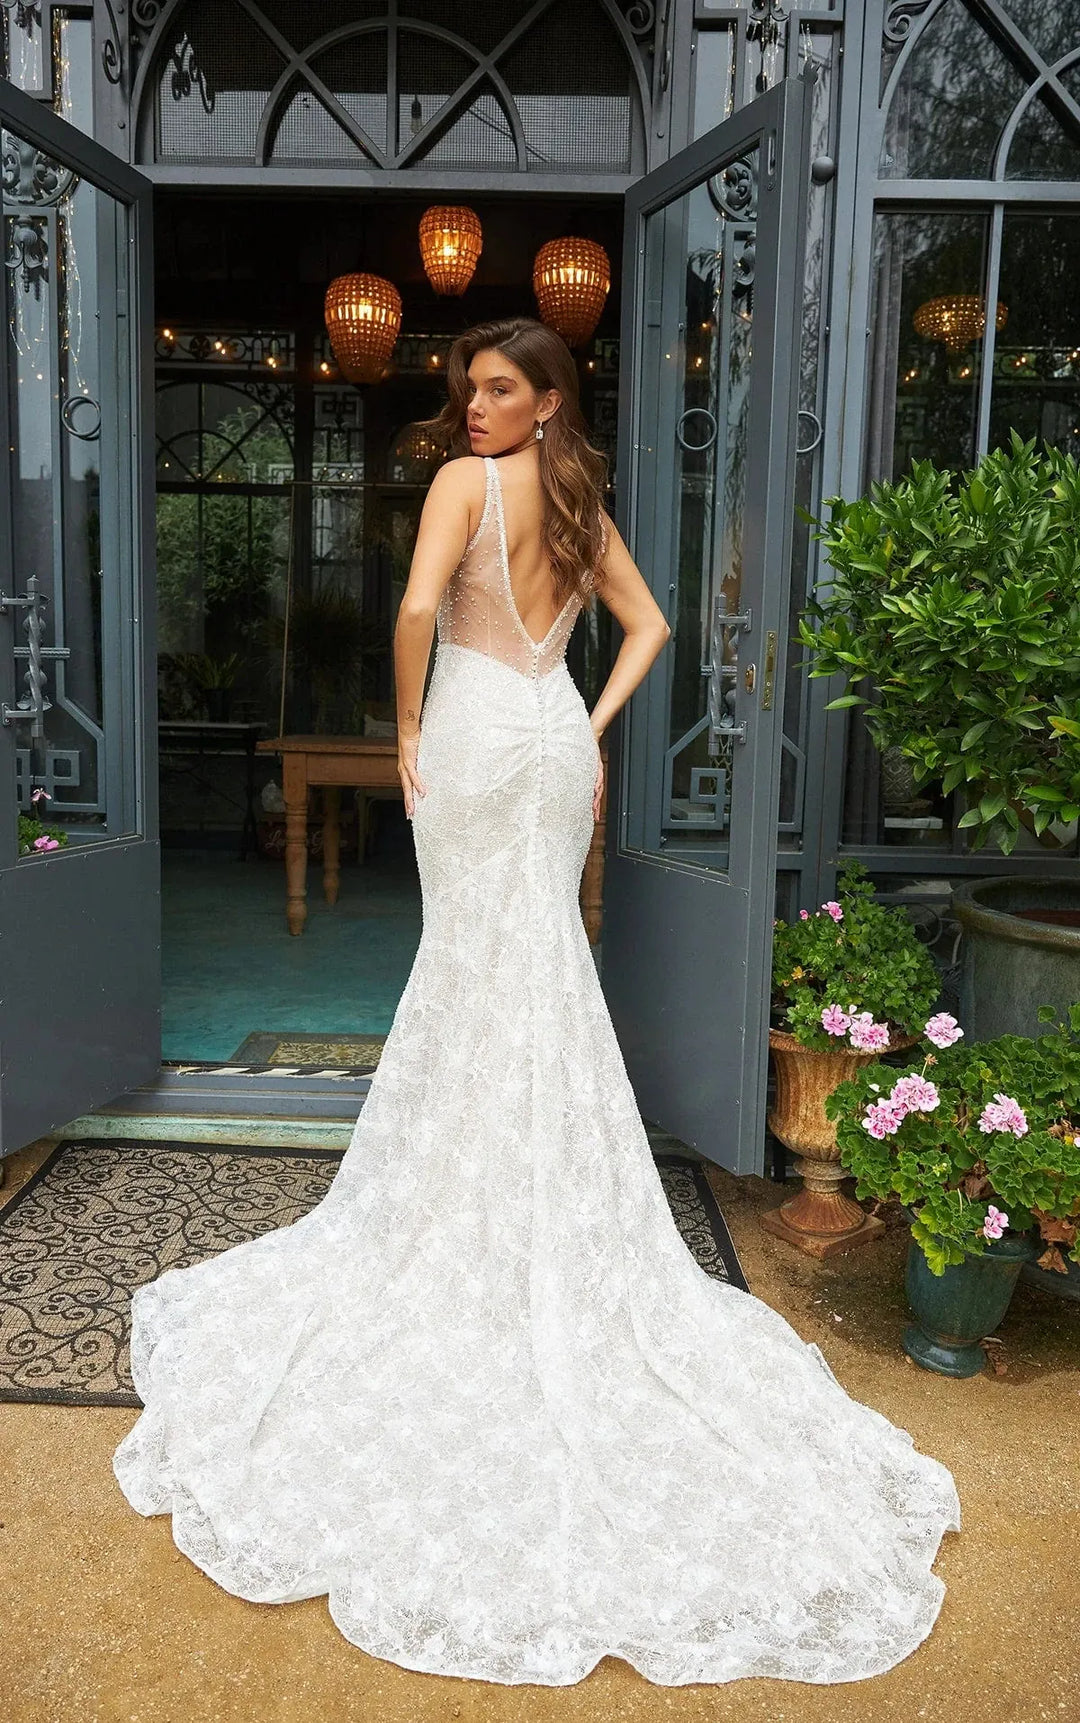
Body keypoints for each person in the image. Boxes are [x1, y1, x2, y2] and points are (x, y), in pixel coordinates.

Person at [113, 316, 960, 1688]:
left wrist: (401, 734)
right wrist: (593, 720)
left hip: (471, 735)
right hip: (553, 740)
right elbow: (653, 627)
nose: (475, 407)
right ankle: (528, 1197)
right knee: (535, 970)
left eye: (501, 389)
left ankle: (467, 1202)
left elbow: (409, 616)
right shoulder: (578, 502)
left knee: (474, 966)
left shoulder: (466, 489)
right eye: (471, 390)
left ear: (553, 397)